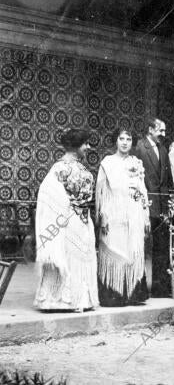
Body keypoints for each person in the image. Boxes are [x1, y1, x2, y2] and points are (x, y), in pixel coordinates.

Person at [34, 128, 99, 312]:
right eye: (85, 144)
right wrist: (66, 211)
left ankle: (81, 299)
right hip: (69, 220)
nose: (88, 147)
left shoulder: (81, 167)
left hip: (84, 220)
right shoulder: (59, 168)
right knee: (70, 255)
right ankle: (60, 300)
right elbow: (47, 195)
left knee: (81, 256)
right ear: (76, 145)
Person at [96, 129, 150, 306]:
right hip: (113, 213)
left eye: (129, 139)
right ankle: (114, 294)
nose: (125, 142)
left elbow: (142, 191)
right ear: (116, 141)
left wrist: (145, 216)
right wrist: (102, 215)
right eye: (121, 138)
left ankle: (133, 294)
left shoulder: (137, 163)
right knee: (115, 247)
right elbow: (100, 192)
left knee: (132, 250)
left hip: (133, 213)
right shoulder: (107, 163)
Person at [132, 117, 172, 297]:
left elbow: (167, 180)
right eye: (160, 130)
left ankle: (160, 288)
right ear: (150, 129)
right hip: (145, 205)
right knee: (140, 245)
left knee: (162, 247)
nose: (163, 134)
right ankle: (138, 288)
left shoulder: (163, 149)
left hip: (162, 206)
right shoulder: (139, 148)